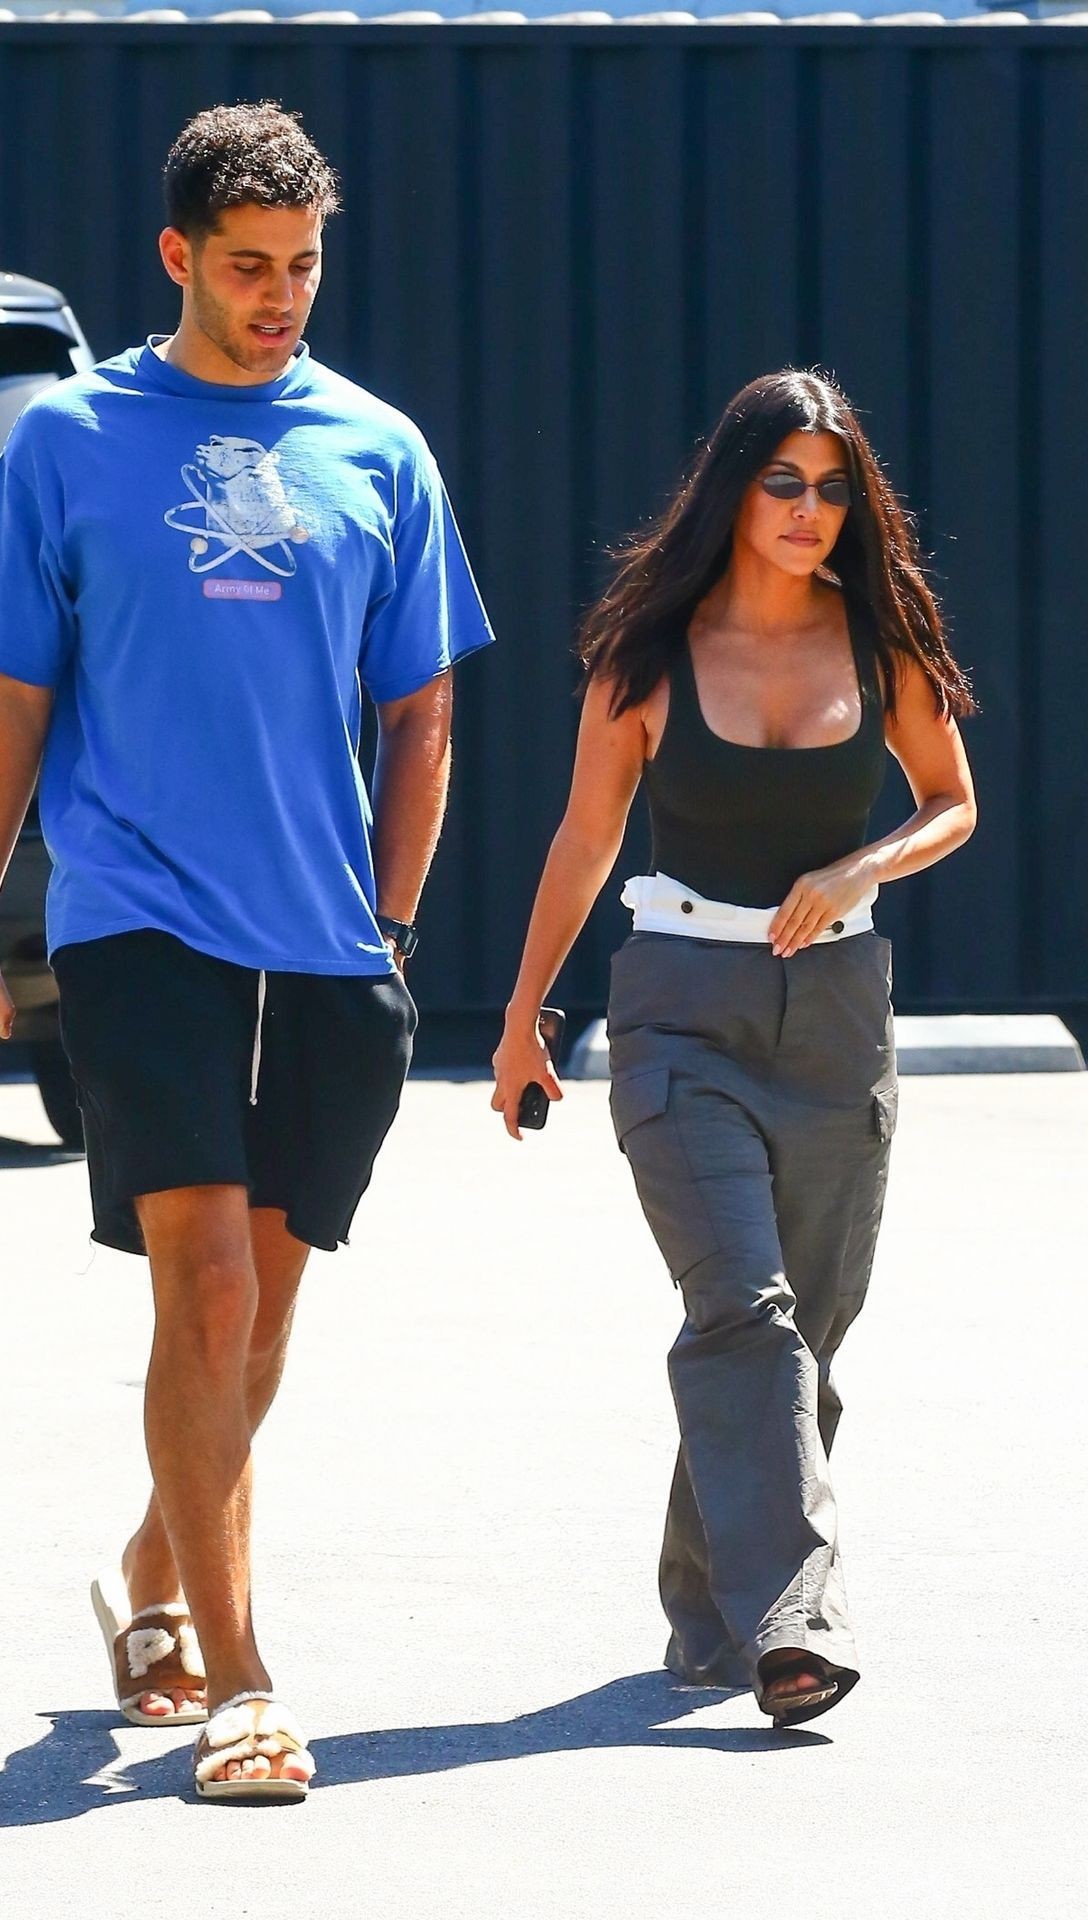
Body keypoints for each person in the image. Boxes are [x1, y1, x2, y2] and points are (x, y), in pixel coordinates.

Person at [0, 101, 494, 1801]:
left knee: (265, 1311)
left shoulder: (379, 449)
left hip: (329, 938)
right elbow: (11, 698)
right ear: (177, 256)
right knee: (207, 1284)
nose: (280, 294)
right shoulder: (69, 441)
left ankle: (152, 1575)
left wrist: (392, 921)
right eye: (247, 265)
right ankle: (245, 1688)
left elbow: (422, 705)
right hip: (135, 915)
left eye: (303, 264)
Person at [491, 370, 976, 1726]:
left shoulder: (881, 642)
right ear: (734, 489)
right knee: (748, 1314)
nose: (809, 512)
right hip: (680, 1013)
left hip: (836, 1017)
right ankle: (795, 1625)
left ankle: (712, 1614)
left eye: (832, 490)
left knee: (804, 1332)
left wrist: (864, 863)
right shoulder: (647, 655)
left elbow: (952, 802)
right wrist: (523, 1018)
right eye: (783, 484)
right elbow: (585, 837)